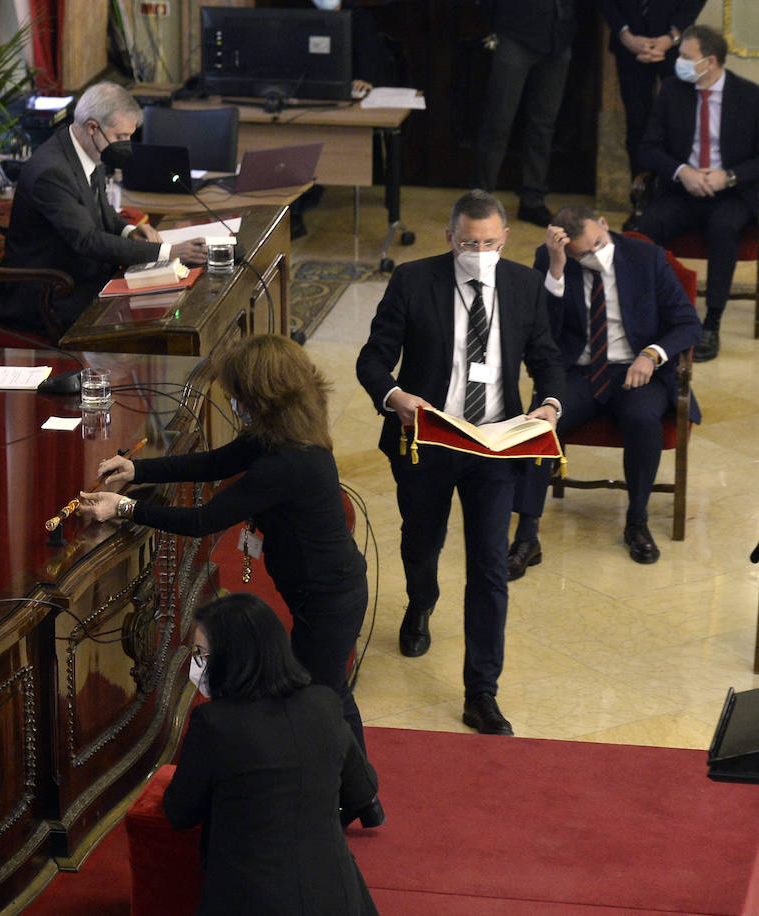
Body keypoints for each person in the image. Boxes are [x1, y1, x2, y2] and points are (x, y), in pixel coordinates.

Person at [76, 335, 370, 750]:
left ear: (259, 398)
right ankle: (355, 791)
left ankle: (353, 794)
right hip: (317, 590)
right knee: (327, 691)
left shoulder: (286, 463)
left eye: (237, 396)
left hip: (327, 599)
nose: (233, 403)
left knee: (325, 697)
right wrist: (138, 470)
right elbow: (214, 463)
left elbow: (203, 520)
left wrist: (124, 509)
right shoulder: (281, 430)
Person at [355, 190, 565, 736]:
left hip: (496, 443)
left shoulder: (523, 285)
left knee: (491, 566)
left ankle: (481, 693)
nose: (479, 251)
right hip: (428, 437)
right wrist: (396, 397)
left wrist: (549, 403)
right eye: (470, 242)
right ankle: (420, 601)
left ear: (504, 240)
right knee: (422, 541)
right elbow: (373, 358)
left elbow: (546, 358)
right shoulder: (412, 280)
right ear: (450, 238)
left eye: (490, 243)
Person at [508, 207, 701, 575]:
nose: (595, 256)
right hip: (578, 372)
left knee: (642, 418)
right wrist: (557, 267)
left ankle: (637, 521)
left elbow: (688, 324)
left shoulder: (647, 258)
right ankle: (527, 534)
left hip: (637, 370)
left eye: (599, 243)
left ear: (604, 225)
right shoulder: (551, 260)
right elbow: (538, 329)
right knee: (539, 424)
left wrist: (651, 354)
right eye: (584, 253)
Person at [161, 593, 380, 916]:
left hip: (250, 901)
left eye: (201, 654)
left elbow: (179, 813)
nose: (196, 663)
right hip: (337, 897)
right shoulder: (325, 705)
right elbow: (363, 788)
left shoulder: (215, 724)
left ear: (231, 660)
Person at [0, 82, 208, 335]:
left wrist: (129, 230)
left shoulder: (88, 149)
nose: (126, 144)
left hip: (83, 274)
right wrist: (169, 251)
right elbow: (88, 240)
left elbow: (102, 210)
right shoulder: (51, 172)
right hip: (47, 295)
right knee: (156, 321)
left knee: (172, 297)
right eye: (121, 137)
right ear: (93, 128)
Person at [636, 24, 759, 362]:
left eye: (687, 57)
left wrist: (729, 177)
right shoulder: (673, 91)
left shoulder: (750, 96)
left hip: (733, 193)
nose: (679, 62)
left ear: (711, 61)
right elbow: (648, 148)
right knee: (645, 229)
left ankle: (711, 323)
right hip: (683, 190)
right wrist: (682, 171)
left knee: (723, 228)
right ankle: (654, 311)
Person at [472, 0, 577, 227]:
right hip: (515, 34)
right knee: (498, 122)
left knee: (543, 125)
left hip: (559, 38)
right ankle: (481, 201)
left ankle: (532, 199)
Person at [599, 0, 706, 178]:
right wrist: (625, 35)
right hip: (628, 43)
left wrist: (673, 36)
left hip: (678, 47)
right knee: (637, 121)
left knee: (680, 120)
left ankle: (678, 188)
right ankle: (641, 191)